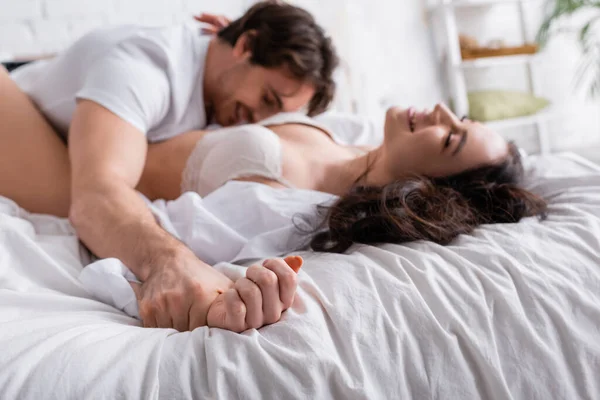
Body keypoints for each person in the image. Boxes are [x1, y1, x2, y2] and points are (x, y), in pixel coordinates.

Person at [0, 1, 338, 332]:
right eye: (266, 98)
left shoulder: (222, 84)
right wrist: (170, 261)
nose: (259, 119)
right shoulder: (144, 66)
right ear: (245, 45)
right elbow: (96, 195)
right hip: (21, 101)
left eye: (275, 113)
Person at [139, 103, 548, 252]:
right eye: (459, 118)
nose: (439, 109)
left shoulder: (295, 207)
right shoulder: (352, 138)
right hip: (127, 136)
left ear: (433, 186)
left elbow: (169, 229)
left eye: (449, 138)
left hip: (95, 182)